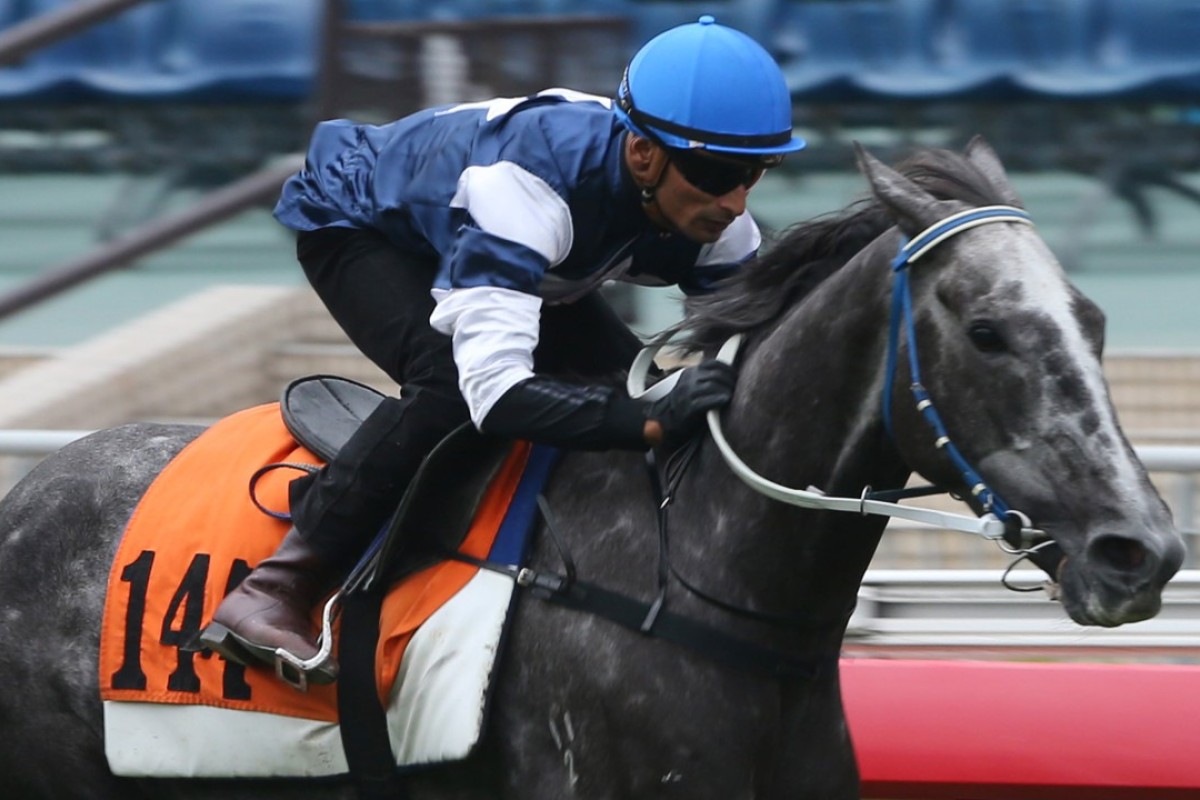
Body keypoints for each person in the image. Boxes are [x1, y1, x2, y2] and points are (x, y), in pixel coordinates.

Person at [200, 14, 805, 685]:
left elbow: (759, 358)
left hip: (537, 266)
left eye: (756, 173)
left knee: (637, 384)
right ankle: (276, 588)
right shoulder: (527, 189)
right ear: (643, 154)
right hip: (365, 227)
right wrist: (647, 421)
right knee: (450, 385)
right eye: (717, 174)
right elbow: (498, 395)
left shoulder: (716, 211)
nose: (734, 200)